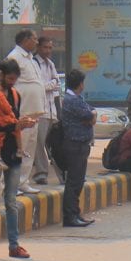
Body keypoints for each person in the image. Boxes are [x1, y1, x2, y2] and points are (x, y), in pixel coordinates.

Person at [0, 63, 36, 260]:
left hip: (13, 153)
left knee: (11, 201)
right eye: (10, 78)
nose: (12, 82)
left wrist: (21, 124)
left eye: (15, 79)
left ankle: (14, 245)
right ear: (2, 75)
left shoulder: (15, 95)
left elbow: (14, 121)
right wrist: (16, 124)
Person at [7, 28, 46, 195]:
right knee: (19, 147)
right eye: (34, 39)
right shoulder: (14, 57)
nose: (37, 42)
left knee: (29, 147)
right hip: (22, 112)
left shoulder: (31, 59)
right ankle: (11, 184)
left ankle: (23, 181)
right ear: (25, 40)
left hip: (35, 111)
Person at [61, 68, 96, 227]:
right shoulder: (72, 100)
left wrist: (91, 116)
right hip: (75, 144)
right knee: (74, 182)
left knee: (78, 180)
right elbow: (90, 115)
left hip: (81, 144)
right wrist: (91, 116)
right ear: (80, 84)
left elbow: (90, 115)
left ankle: (76, 212)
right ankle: (70, 216)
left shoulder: (76, 98)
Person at [33, 36, 61, 185]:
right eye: (45, 47)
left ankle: (52, 172)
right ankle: (41, 173)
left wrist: (52, 85)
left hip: (51, 110)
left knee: (50, 143)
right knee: (39, 143)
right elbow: (40, 87)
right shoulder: (34, 63)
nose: (48, 50)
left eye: (50, 48)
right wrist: (52, 84)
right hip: (41, 110)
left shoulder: (50, 64)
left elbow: (57, 85)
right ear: (38, 48)